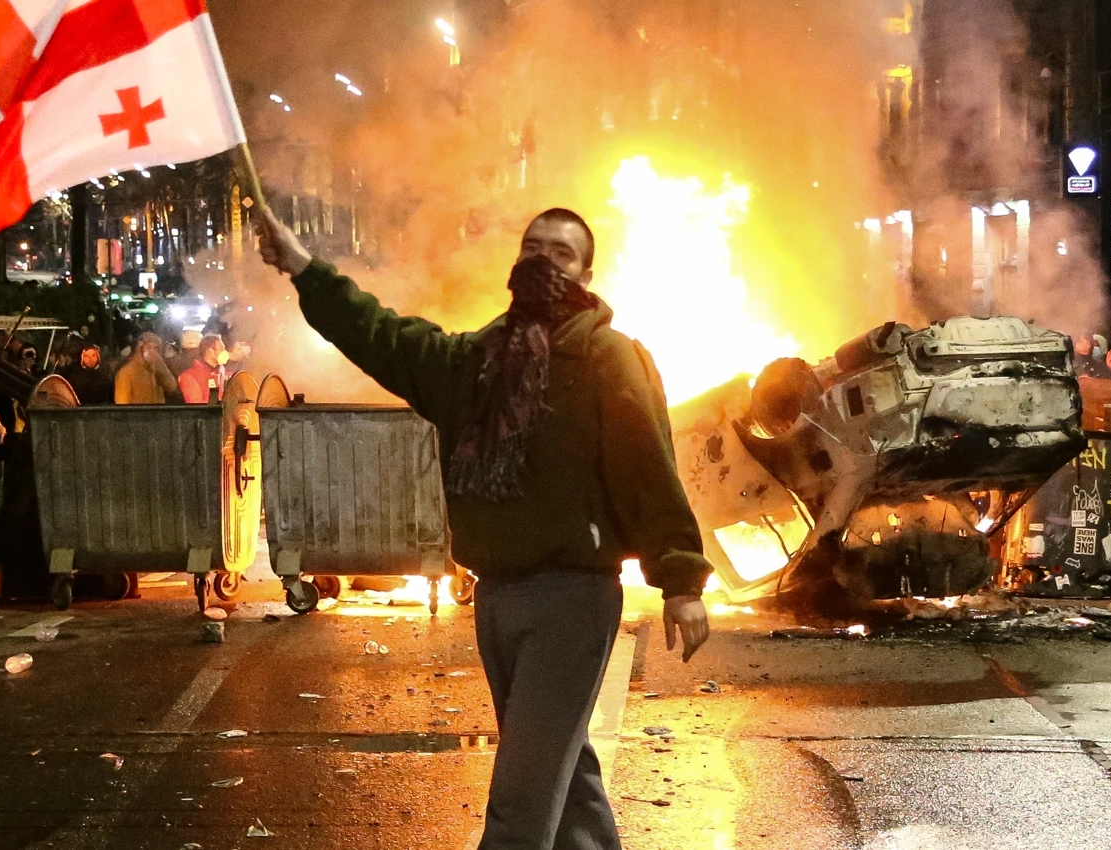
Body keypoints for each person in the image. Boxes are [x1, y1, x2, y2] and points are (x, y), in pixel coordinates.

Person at [257, 203, 709, 850]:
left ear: (587, 270)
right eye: (533, 246)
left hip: (572, 600)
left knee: (522, 804)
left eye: (560, 252)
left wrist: (681, 580)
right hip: (497, 597)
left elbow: (649, 467)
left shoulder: (608, 357)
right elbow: (379, 334)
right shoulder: (476, 360)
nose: (542, 259)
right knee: (567, 781)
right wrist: (303, 267)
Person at [113, 332, 173, 404]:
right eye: (149, 347)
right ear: (140, 348)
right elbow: (121, 404)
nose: (152, 351)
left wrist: (160, 364)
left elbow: (171, 386)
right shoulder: (126, 373)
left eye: (155, 348)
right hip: (138, 415)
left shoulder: (157, 369)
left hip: (158, 414)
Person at [177, 334, 229, 404]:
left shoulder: (221, 370)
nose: (225, 352)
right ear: (211, 351)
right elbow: (197, 408)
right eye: (222, 349)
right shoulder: (190, 376)